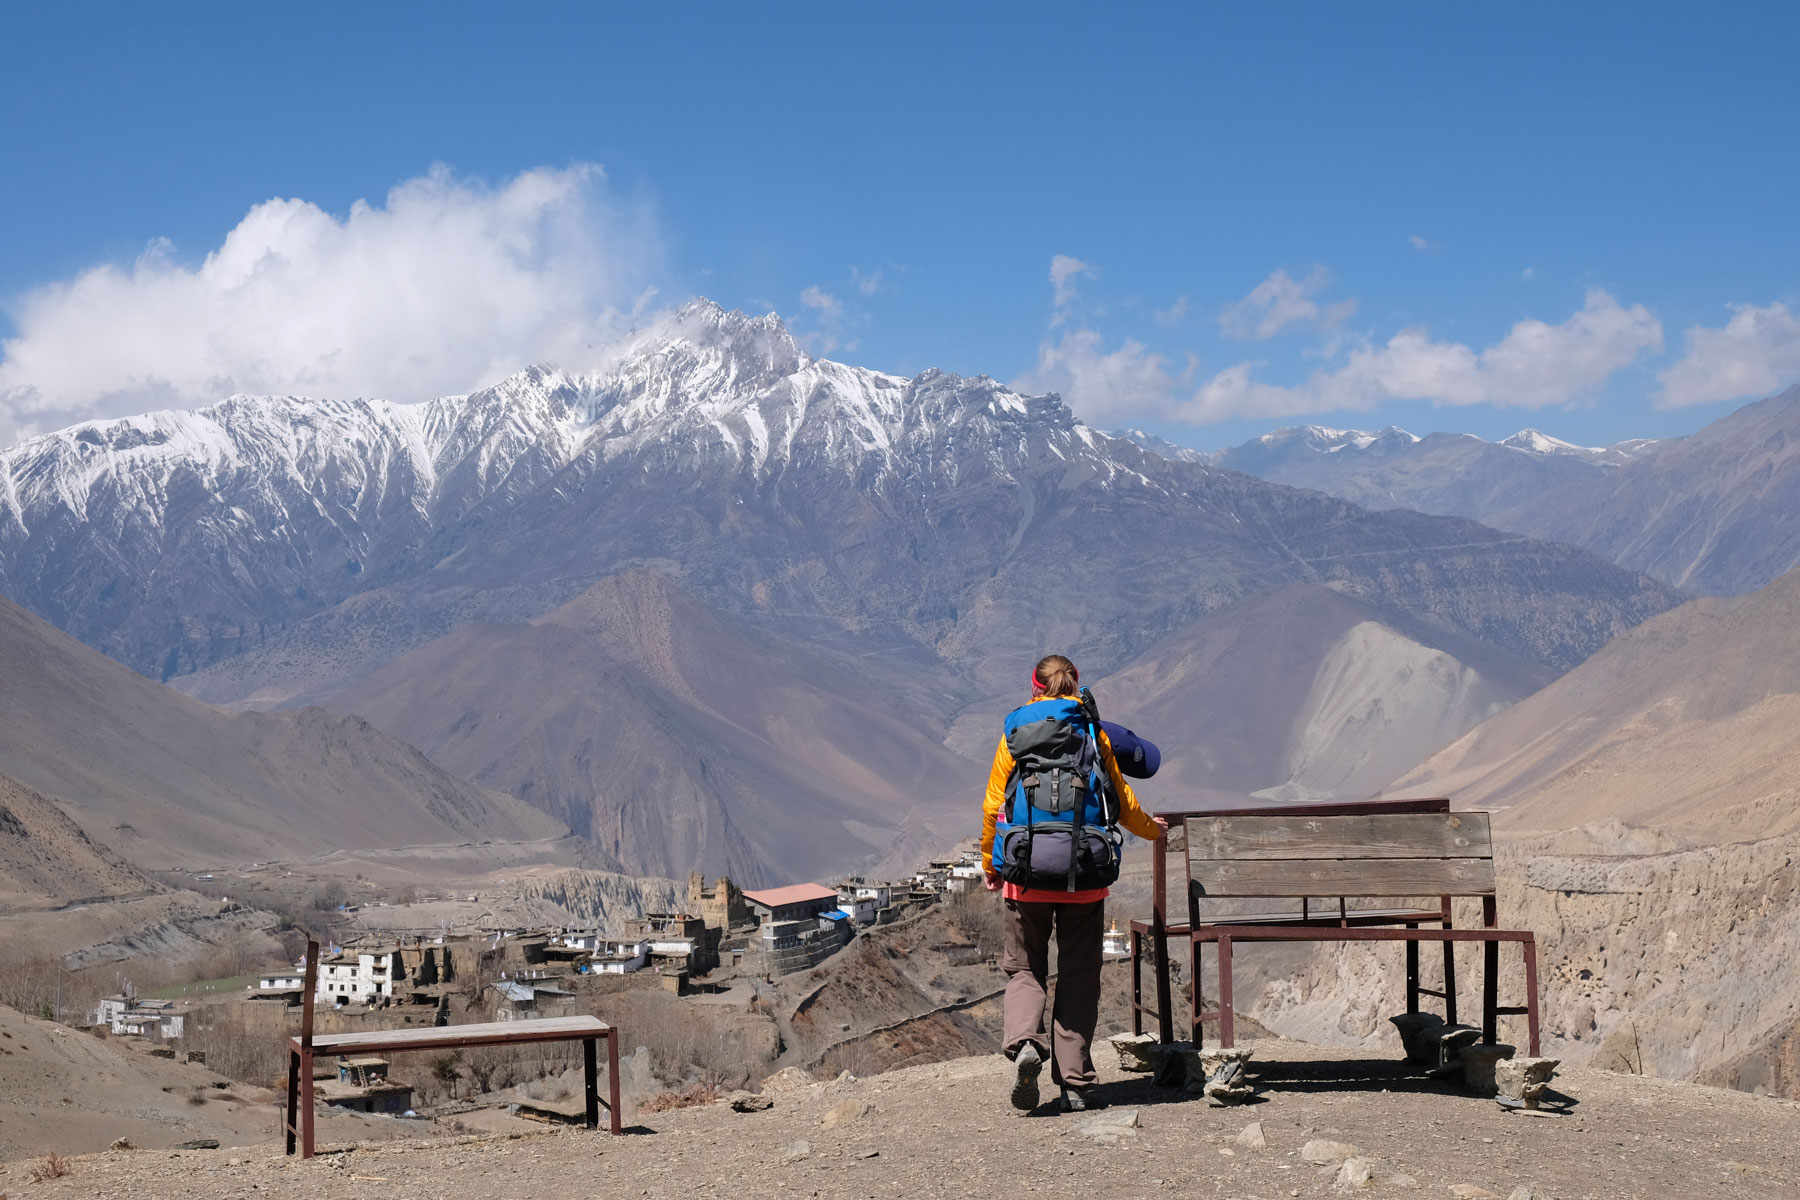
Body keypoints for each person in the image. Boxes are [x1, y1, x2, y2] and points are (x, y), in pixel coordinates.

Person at [980, 653, 1166, 1113]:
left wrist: (991, 863)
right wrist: (1154, 831)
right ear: (1076, 684)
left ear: (1035, 687)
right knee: (1079, 976)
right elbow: (1122, 803)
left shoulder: (1014, 731)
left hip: (1024, 877)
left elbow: (991, 807)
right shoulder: (1092, 730)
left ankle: (1026, 1042)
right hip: (1085, 878)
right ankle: (1077, 1083)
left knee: (1025, 968)